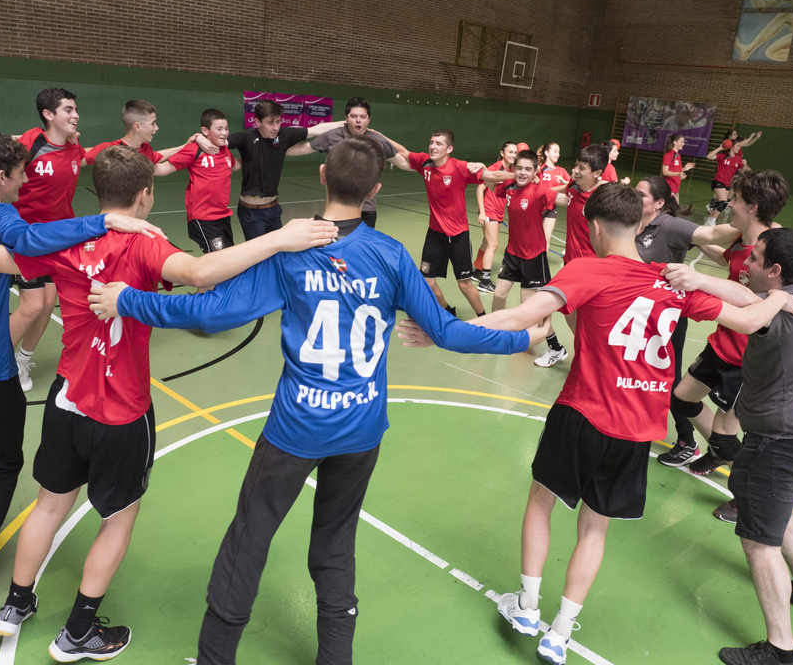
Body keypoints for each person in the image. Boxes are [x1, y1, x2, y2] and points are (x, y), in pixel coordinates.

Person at [87, 136, 543, 665]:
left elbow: (209, 311)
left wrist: (130, 300)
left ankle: (215, 658)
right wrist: (520, 337)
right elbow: (447, 331)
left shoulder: (290, 251)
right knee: (335, 544)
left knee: (248, 539)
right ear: (375, 190)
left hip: (296, 428)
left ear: (323, 176)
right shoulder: (391, 255)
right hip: (361, 429)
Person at [0, 145, 336, 661]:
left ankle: (15, 603)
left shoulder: (63, 241)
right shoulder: (146, 243)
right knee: (119, 517)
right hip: (121, 411)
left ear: (98, 192)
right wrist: (280, 238)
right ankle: (78, 631)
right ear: (145, 194)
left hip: (67, 399)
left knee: (49, 503)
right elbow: (201, 273)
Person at [469, 182, 793, 665]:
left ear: (595, 226)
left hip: (582, 412)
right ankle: (559, 633)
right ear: (641, 223)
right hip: (637, 429)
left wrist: (444, 329)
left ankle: (527, 604)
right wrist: (780, 298)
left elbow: (521, 316)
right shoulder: (674, 281)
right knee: (595, 529)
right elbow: (750, 316)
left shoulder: (587, 268)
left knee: (542, 501)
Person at [0, 129, 160, 610]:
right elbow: (33, 240)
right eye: (20, 174)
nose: (25, 182)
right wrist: (102, 221)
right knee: (2, 467)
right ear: (0, 177)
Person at [664, 228, 793, 665]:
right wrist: (708, 281)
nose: (746, 264)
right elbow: (749, 294)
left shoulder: (777, 314)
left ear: (776, 270)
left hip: (781, 439)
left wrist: (695, 282)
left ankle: (781, 649)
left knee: (759, 540)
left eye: (755, 259)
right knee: (776, 508)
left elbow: (745, 307)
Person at [634, 175, 742, 467]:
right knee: (638, 374)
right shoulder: (632, 222)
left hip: (667, 318)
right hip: (639, 314)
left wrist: (754, 222)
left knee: (668, 380)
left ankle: (687, 441)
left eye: (641, 194)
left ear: (659, 203)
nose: (635, 197)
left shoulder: (670, 225)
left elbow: (711, 235)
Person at [10, 87, 89, 393]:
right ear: (48, 114)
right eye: (68, 109)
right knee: (32, 306)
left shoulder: (74, 148)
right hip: (26, 238)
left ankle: (21, 361)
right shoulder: (30, 143)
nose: (76, 114)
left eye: (75, 109)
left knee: (46, 306)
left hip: (57, 241)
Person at [402, 129, 512, 318]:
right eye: (431, 142)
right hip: (435, 234)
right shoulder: (425, 163)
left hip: (458, 235)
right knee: (427, 281)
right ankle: (447, 311)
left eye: (438, 143)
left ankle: (483, 317)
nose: (433, 146)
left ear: (449, 148)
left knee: (464, 285)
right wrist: (375, 135)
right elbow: (400, 153)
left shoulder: (460, 167)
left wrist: (517, 176)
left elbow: (492, 177)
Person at [285, 96, 413, 229]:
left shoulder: (377, 140)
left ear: (369, 119)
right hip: (337, 209)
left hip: (366, 209)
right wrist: (275, 149)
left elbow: (403, 163)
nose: (358, 120)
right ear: (346, 118)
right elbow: (302, 149)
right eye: (353, 116)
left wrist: (427, 166)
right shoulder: (332, 136)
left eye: (363, 117)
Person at [225, 99, 344, 241]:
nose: (275, 127)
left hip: (274, 209)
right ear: (257, 122)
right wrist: (202, 140)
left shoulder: (283, 135)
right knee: (258, 251)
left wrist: (348, 123)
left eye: (278, 121)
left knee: (279, 249)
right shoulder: (246, 138)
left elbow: (316, 130)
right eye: (270, 122)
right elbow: (219, 142)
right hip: (251, 212)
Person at [534, 143, 609, 368]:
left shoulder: (605, 196)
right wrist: (535, 187)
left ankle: (595, 358)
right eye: (576, 165)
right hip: (571, 264)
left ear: (597, 173)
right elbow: (564, 196)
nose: (575, 171)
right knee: (567, 311)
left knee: (592, 317)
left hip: (595, 268)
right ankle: (582, 353)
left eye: (581, 168)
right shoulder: (574, 187)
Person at [154, 108, 240, 288]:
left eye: (226, 128)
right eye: (219, 129)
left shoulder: (225, 152)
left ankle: (210, 301)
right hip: (203, 218)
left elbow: (233, 166)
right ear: (205, 131)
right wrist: (141, 162)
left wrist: (260, 155)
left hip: (223, 216)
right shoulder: (195, 150)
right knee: (219, 267)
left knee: (227, 264)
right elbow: (162, 169)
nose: (224, 133)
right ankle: (204, 304)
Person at [491, 149, 556, 312]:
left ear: (535, 171)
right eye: (519, 168)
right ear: (513, 168)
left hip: (533, 254)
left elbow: (561, 198)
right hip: (512, 252)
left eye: (528, 169)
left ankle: (536, 328)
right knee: (498, 295)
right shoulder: (509, 185)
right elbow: (490, 179)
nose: (522, 172)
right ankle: (497, 326)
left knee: (526, 302)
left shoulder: (537, 190)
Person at [84, 99, 197, 166]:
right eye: (153, 123)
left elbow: (159, 156)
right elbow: (78, 161)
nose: (157, 128)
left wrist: (185, 146)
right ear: (137, 126)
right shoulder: (108, 150)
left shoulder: (146, 149)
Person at [473, 141, 516, 293]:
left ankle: (477, 271)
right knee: (493, 244)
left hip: (499, 212)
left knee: (486, 242)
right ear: (503, 153)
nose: (513, 155)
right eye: (510, 152)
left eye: (515, 152)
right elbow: (480, 189)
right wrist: (482, 211)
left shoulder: (511, 171)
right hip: (489, 210)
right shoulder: (495, 168)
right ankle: (484, 281)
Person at [705, 132, 761, 226]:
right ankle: (712, 221)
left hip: (727, 183)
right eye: (737, 146)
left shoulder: (738, 159)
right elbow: (709, 156)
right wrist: (720, 148)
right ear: (732, 147)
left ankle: (709, 221)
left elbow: (742, 171)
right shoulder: (723, 156)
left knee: (720, 204)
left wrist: (744, 165)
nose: (739, 148)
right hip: (718, 180)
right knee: (723, 202)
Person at [535, 141, 569, 250]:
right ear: (546, 153)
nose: (557, 154)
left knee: (547, 237)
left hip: (551, 207)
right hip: (537, 207)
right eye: (555, 151)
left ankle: (542, 259)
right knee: (533, 236)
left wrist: (564, 181)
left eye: (558, 152)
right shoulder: (540, 169)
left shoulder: (561, 171)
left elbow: (572, 185)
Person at [661, 133, 695, 201]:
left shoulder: (677, 155)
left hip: (675, 188)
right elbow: (665, 172)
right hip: (669, 187)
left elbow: (674, 169)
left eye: (683, 142)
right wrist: (679, 174)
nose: (683, 144)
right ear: (675, 142)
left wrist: (684, 169)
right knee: (668, 207)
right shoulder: (669, 155)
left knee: (676, 207)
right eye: (681, 142)